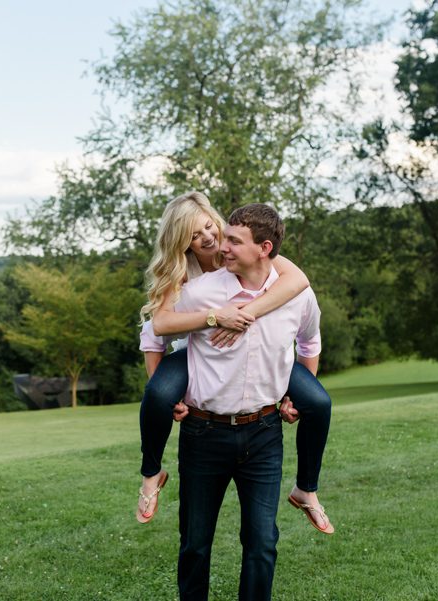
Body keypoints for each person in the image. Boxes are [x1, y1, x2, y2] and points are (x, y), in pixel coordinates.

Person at [135, 192, 333, 536]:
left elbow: (299, 282)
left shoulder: (250, 254)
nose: (209, 238)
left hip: (262, 355)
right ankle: (151, 474)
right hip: (199, 353)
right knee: (157, 393)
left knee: (317, 401)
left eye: (210, 226)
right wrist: (214, 319)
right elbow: (157, 332)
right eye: (195, 236)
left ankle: (306, 489)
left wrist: (246, 314)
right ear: (182, 242)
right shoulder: (181, 274)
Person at [174, 202, 323, 600]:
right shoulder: (201, 292)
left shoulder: (297, 295)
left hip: (263, 434)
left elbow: (310, 342)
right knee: (194, 544)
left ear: (264, 247)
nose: (221, 247)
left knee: (261, 544)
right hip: (203, 433)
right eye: (223, 237)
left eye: (233, 241)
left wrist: (297, 391)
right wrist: (166, 388)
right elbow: (157, 331)